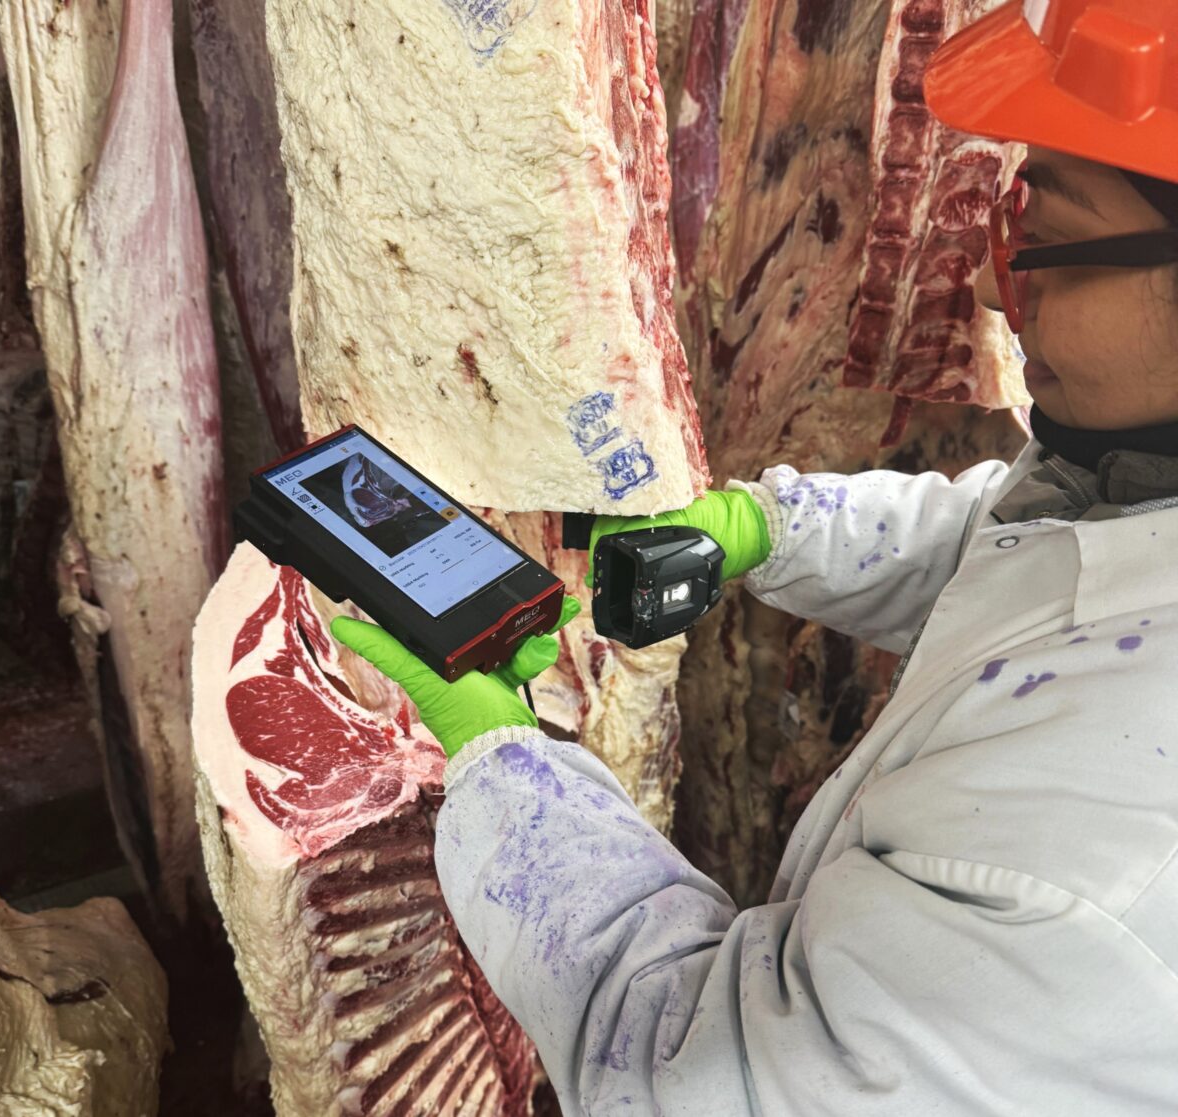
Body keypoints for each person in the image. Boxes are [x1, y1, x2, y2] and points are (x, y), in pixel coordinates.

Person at [333, 2, 1178, 1112]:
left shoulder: (1088, 859)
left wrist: (507, 769)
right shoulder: (1139, 485)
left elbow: (697, 1073)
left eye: (1051, 244)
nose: (986, 288)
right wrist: (765, 529)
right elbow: (1017, 548)